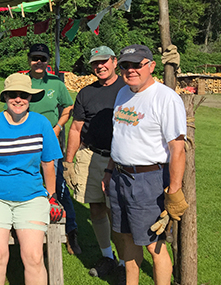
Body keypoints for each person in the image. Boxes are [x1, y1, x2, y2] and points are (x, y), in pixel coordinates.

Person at [0, 73, 64, 285]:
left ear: (30, 98)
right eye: (13, 95)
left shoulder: (42, 124)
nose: (18, 99)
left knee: (34, 257)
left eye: (23, 95)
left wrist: (53, 196)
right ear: (5, 97)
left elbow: (48, 164)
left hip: (31, 197)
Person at [103, 44, 188, 285]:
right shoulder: (123, 94)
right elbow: (119, 136)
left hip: (148, 179)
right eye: (126, 66)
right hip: (120, 175)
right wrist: (110, 170)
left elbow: (177, 148)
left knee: (154, 244)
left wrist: (174, 190)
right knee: (127, 238)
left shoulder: (166, 98)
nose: (131, 70)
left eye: (137, 65)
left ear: (150, 66)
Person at [64, 46, 126, 282]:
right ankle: (107, 257)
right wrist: (69, 162)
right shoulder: (86, 93)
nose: (99, 66)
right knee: (97, 208)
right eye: (95, 63)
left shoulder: (127, 89)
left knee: (116, 211)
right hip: (90, 155)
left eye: (104, 62)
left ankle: (123, 263)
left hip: (118, 158)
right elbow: (77, 128)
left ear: (114, 61)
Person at [27, 43, 80, 254]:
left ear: (48, 61)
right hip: (26, 141)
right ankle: (33, 226)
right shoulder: (22, 81)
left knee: (58, 185)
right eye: (34, 58)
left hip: (50, 141)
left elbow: (68, 106)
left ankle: (71, 231)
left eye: (42, 58)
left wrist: (58, 127)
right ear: (29, 60)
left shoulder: (56, 83)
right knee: (29, 182)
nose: (38, 62)